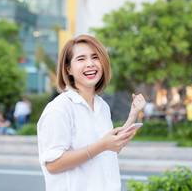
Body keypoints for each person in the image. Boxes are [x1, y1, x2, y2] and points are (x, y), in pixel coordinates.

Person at [37, 35, 146, 191]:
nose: (90, 64)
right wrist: (100, 146)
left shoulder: (103, 107)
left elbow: (108, 152)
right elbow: (52, 165)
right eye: (81, 59)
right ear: (69, 68)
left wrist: (132, 116)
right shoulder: (60, 108)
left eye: (95, 57)